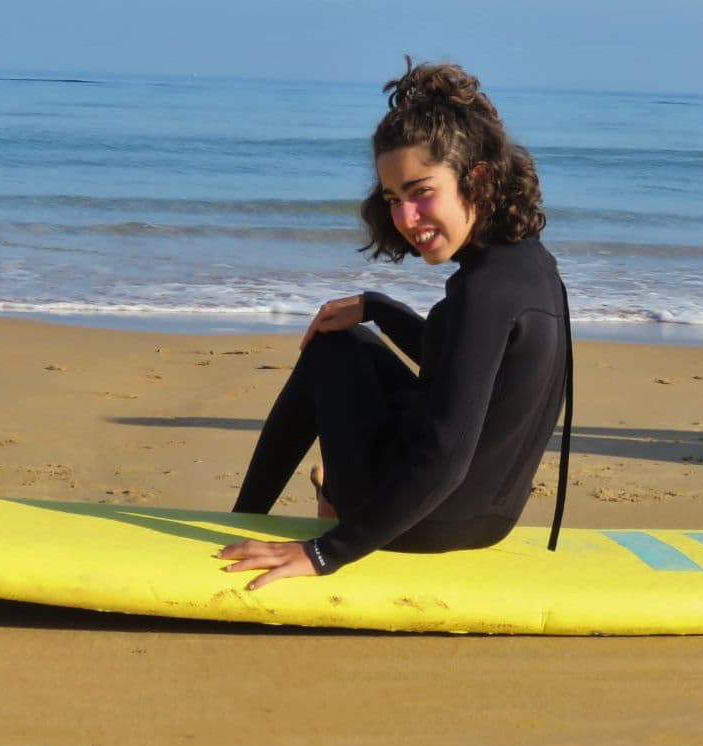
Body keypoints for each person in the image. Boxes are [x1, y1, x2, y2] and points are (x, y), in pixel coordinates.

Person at [217, 57, 573, 589]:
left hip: (425, 520)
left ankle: (246, 518)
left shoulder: (484, 292)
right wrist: (378, 308)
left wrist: (324, 553)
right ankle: (316, 494)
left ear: (476, 178)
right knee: (353, 336)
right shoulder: (528, 266)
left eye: (421, 191)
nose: (405, 219)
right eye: (393, 199)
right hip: (491, 519)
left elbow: (445, 457)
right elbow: (464, 367)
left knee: (331, 351)